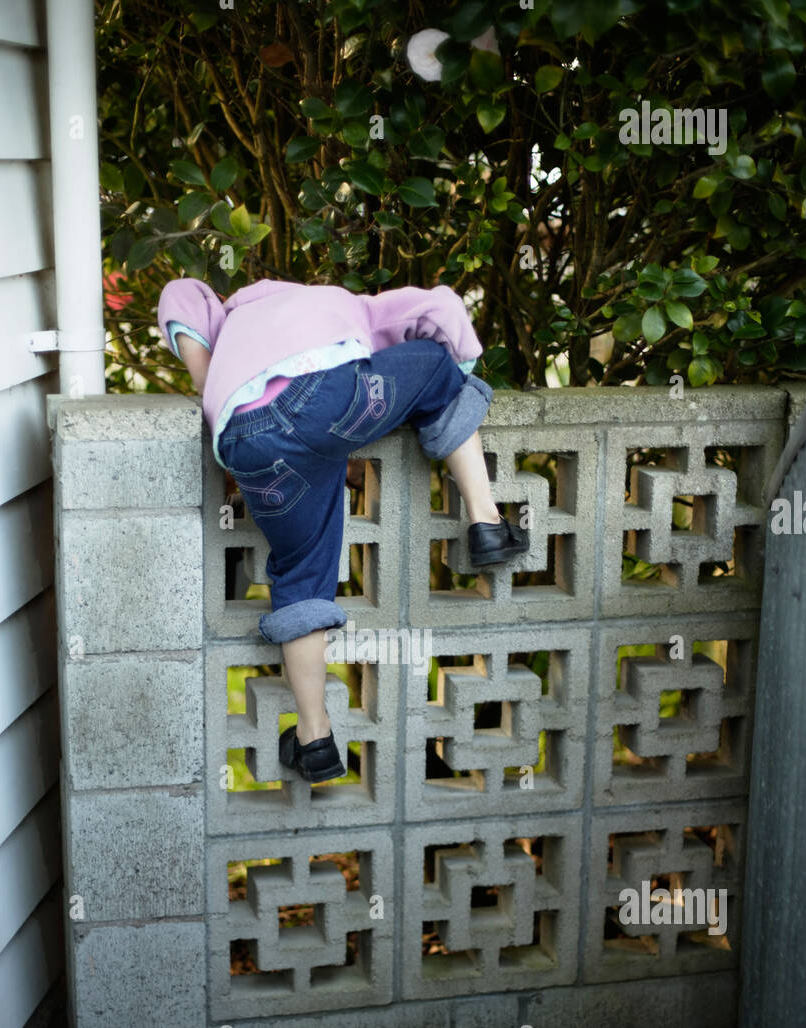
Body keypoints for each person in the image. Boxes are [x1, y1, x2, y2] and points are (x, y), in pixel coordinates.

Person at [157, 274, 528, 784]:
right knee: (438, 370)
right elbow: (440, 307)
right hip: (332, 396)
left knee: (302, 572)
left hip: (246, 441)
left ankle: (315, 740)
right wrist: (455, 382)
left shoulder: (228, 323)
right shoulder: (352, 304)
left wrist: (209, 388)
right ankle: (486, 521)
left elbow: (181, 294)